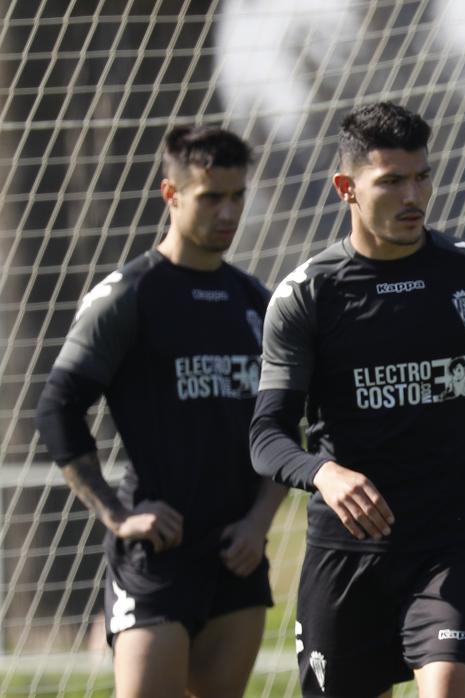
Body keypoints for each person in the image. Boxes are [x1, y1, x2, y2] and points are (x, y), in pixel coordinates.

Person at [248, 101, 465, 698]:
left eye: (422, 177)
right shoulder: (307, 294)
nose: (413, 195)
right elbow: (266, 436)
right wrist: (324, 473)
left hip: (451, 547)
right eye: (391, 181)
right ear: (347, 188)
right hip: (345, 556)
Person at [34, 126, 286, 698]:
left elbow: (287, 427)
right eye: (210, 197)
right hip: (157, 557)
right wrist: (118, 514)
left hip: (236, 556)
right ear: (171, 194)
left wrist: (259, 522)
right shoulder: (128, 296)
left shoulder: (257, 303)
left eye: (237, 196)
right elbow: (57, 408)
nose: (228, 212)